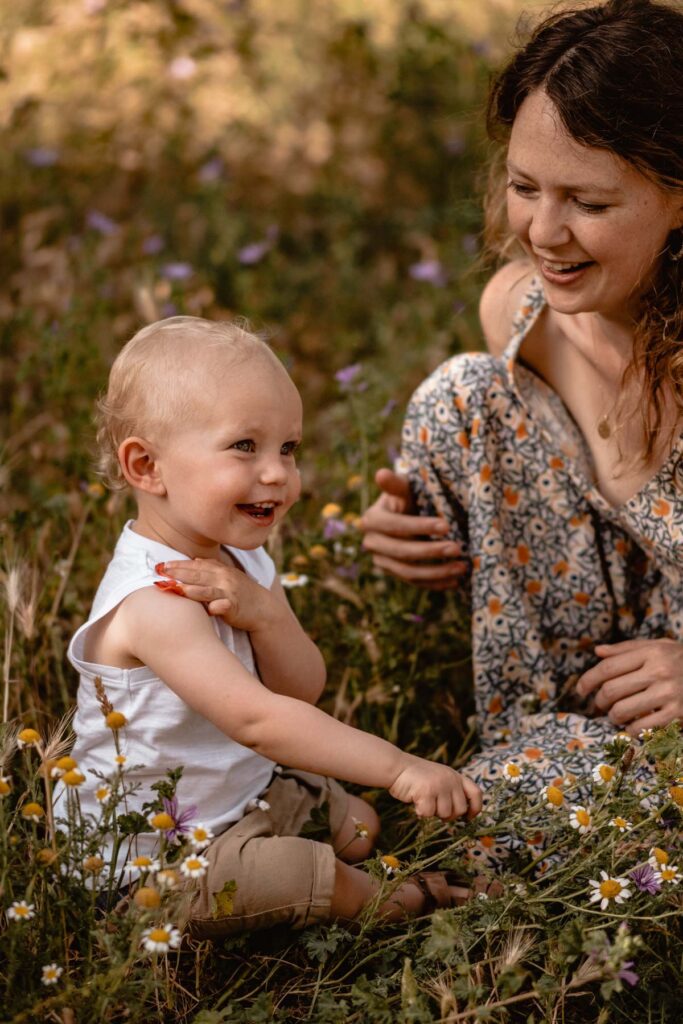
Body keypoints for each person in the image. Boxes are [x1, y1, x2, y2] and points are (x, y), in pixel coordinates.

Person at [360, 0, 683, 862]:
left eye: (587, 200)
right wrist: (416, 536)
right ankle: (531, 759)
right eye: (525, 187)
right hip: (579, 700)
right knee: (461, 395)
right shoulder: (520, 311)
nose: (543, 232)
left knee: (498, 840)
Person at [63, 315, 484, 938]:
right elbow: (258, 719)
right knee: (309, 875)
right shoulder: (153, 604)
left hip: (244, 794)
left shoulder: (242, 557)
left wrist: (264, 611)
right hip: (159, 861)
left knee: (360, 825)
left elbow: (299, 689)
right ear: (147, 467)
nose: (278, 474)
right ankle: (402, 903)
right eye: (244, 447)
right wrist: (400, 768)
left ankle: (344, 854)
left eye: (287, 448)